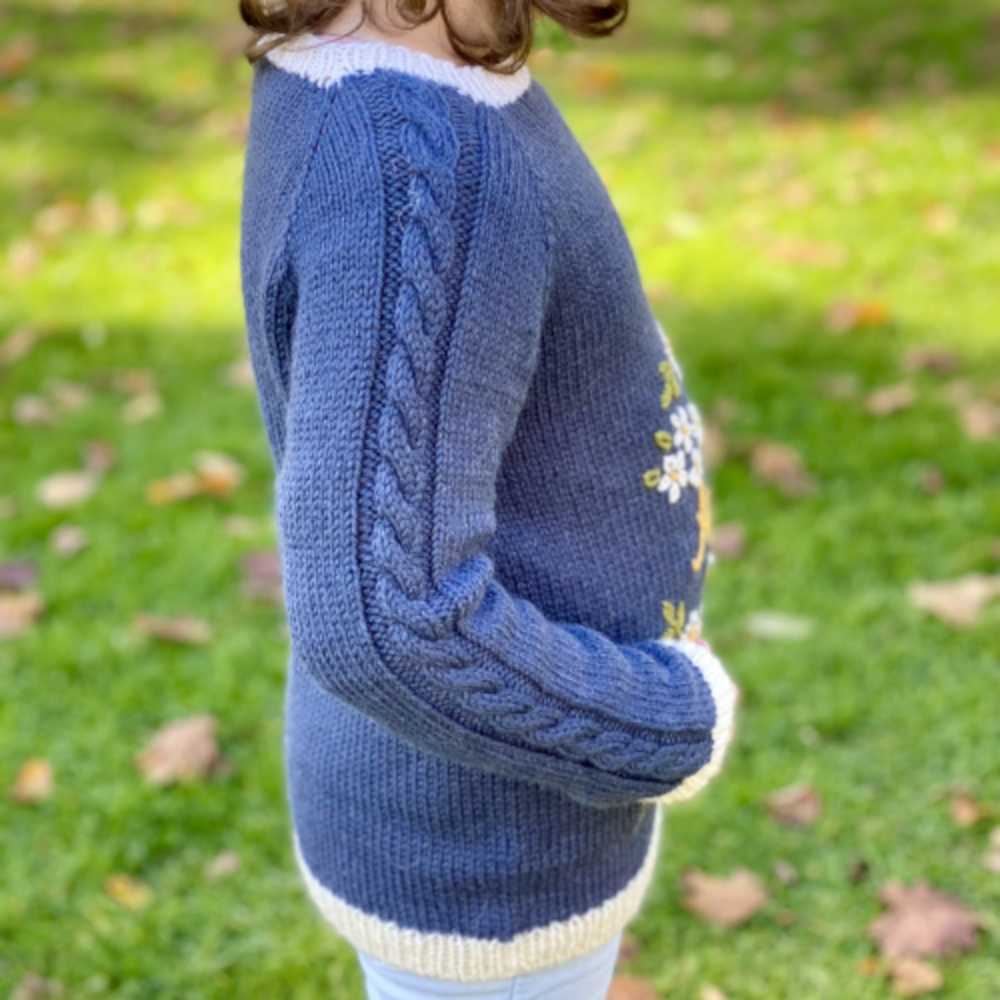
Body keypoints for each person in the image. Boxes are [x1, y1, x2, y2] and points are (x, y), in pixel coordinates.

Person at [237, 1, 740, 997]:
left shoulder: (386, 83)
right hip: (491, 840)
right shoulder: (419, 164)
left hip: (482, 803)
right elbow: (385, 621)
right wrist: (665, 720)